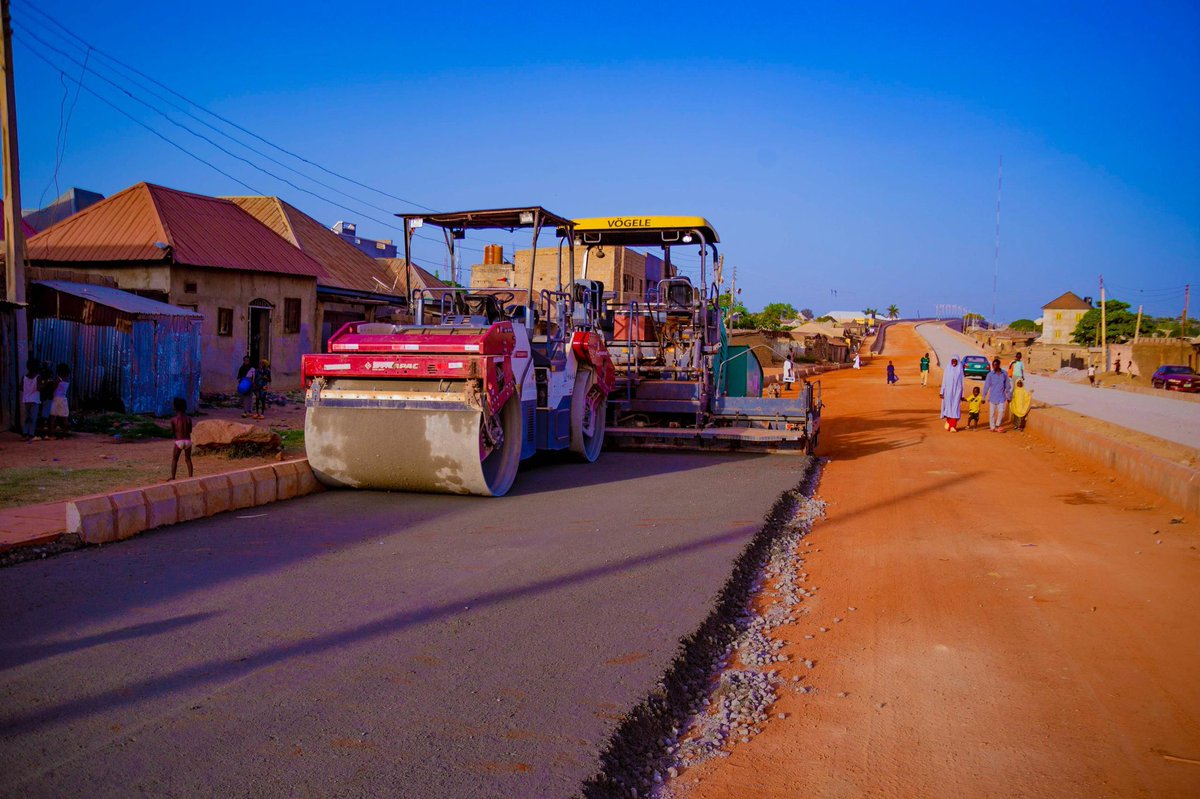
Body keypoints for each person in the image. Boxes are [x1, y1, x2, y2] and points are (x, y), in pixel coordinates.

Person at [982, 358, 1012, 432]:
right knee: (992, 413)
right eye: (993, 365)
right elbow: (986, 386)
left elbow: (1007, 386)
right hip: (992, 397)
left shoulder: (1004, 374)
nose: (994, 366)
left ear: (999, 365)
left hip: (1001, 397)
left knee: (1001, 411)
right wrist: (983, 397)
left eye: (995, 365)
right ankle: (992, 427)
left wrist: (1008, 396)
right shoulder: (990, 375)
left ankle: (998, 425)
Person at [170, 397, 194, 480]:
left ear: (175, 407)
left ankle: (173, 477)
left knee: (175, 459)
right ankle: (190, 476)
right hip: (188, 441)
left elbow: (173, 432)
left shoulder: (174, 420)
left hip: (179, 441)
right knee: (188, 459)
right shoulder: (188, 419)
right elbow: (190, 430)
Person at [939, 355, 965, 432]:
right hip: (948, 392)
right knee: (948, 407)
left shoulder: (960, 370)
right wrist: (942, 391)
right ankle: (948, 421)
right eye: (953, 360)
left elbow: (962, 383)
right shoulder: (947, 369)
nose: (954, 362)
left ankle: (953, 426)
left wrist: (962, 395)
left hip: (957, 393)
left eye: (955, 361)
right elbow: (944, 380)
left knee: (955, 408)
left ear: (958, 362)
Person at [49, 363, 71, 439]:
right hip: (63, 399)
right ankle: (65, 435)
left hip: (56, 398)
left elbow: (53, 388)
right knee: (65, 417)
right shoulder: (67, 379)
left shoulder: (58, 379)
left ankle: (52, 434)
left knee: (52, 417)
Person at [21, 359, 40, 441]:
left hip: (26, 399)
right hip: (35, 399)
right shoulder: (38, 377)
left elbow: (21, 388)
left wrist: (27, 389)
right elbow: (39, 388)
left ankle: (25, 433)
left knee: (27, 417)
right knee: (33, 417)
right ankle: (31, 434)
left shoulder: (24, 377)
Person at [36, 361, 57, 439]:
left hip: (46, 398)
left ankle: (43, 434)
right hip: (46, 398)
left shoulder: (47, 380)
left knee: (44, 416)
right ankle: (44, 434)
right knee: (45, 416)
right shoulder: (48, 379)